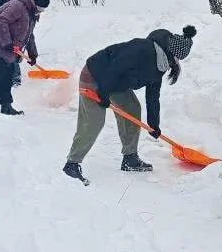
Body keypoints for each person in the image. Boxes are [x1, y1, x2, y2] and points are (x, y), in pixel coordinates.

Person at [63, 25, 197, 184]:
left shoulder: (161, 65)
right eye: (177, 58)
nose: (176, 63)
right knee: (94, 121)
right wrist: (103, 92)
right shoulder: (143, 48)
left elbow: (153, 97)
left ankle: (130, 158)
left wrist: (154, 125)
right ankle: (72, 163)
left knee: (132, 108)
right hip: (95, 75)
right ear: (171, 52)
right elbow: (116, 66)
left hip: (115, 83)